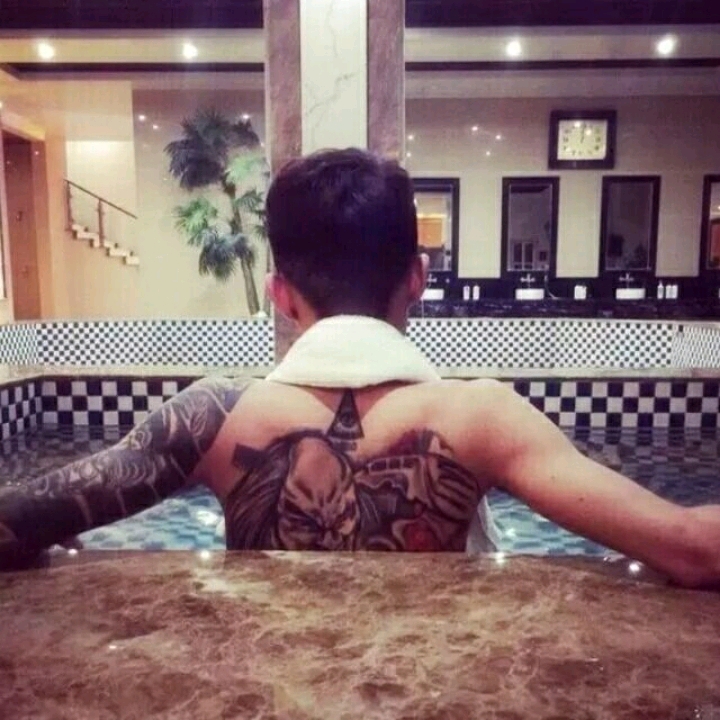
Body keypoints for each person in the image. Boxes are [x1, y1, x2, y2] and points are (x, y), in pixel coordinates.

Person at [1, 149, 719, 587]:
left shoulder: (213, 417)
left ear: (280, 293)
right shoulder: (482, 417)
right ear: (418, 277)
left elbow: (15, 520)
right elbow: (693, 550)